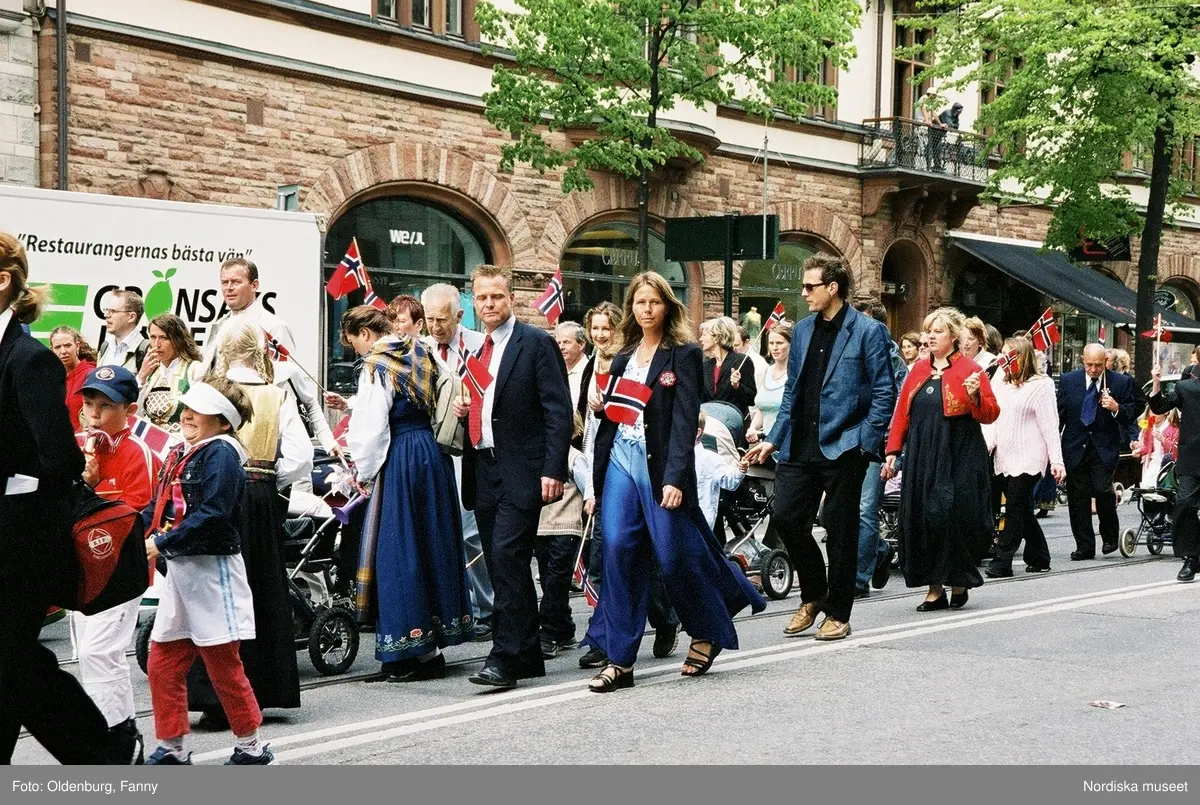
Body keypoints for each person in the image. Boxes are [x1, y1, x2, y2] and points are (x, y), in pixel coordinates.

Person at [582, 271, 766, 692]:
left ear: (667, 306)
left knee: (673, 554)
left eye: (655, 302)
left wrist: (676, 477)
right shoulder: (625, 355)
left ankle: (709, 623)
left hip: (662, 463)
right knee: (616, 549)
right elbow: (619, 416)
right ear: (632, 307)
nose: (647, 310)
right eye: (640, 303)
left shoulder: (683, 354)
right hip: (621, 462)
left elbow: (685, 420)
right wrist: (600, 407)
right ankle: (619, 659)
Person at [0, 231, 141, 765]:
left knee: (10, 659)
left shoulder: (28, 359)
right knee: (16, 665)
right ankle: (106, 754)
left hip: (22, 537)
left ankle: (104, 755)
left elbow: (58, 460)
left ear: (2, 281)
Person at [743, 253, 896, 641]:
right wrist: (772, 439)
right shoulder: (805, 329)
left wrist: (864, 442)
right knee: (786, 517)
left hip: (845, 445)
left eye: (810, 286)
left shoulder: (867, 331)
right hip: (799, 444)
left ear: (833, 288)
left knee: (840, 530)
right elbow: (793, 389)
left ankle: (839, 613)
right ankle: (814, 594)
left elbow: (884, 391)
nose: (804, 293)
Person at [452, 265, 573, 690]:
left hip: (522, 470)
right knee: (508, 565)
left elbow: (559, 411)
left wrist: (552, 469)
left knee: (505, 558)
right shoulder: (475, 349)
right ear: (474, 300)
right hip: (483, 469)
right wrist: (468, 413)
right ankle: (526, 653)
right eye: (482, 297)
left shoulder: (536, 344)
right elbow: (488, 403)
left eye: (497, 297)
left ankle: (503, 657)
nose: (489, 304)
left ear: (511, 298)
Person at [143, 378, 273, 765]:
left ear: (223, 421)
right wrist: (136, 532)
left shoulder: (222, 454)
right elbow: (159, 504)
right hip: (181, 572)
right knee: (162, 661)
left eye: (198, 411)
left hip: (212, 572)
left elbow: (215, 514)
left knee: (223, 664)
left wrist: (161, 543)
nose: (187, 414)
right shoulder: (183, 451)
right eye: (187, 407)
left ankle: (251, 747)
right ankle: (173, 746)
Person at [343, 305, 474, 681]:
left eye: (355, 343)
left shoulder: (376, 365)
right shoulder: (423, 352)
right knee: (430, 547)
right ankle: (415, 649)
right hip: (430, 456)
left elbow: (371, 428)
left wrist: (363, 473)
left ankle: (414, 650)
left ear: (366, 334)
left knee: (399, 554)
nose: (357, 352)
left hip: (399, 457)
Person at [187, 324, 308, 726]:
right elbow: (301, 456)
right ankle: (263, 687)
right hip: (259, 493)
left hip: (217, 488)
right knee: (262, 587)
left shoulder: (211, 390)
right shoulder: (276, 395)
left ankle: (214, 695)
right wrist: (271, 477)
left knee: (217, 589)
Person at [577, 301, 681, 671]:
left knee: (644, 559)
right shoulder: (594, 365)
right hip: (608, 469)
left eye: (607, 328)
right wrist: (591, 486)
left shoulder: (628, 360)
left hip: (644, 468)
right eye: (596, 329)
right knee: (609, 557)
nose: (600, 335)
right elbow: (593, 432)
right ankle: (604, 637)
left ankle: (665, 617)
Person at [883, 307, 999, 611]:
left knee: (953, 515)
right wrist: (892, 452)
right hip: (923, 452)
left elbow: (990, 414)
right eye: (928, 331)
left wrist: (975, 396)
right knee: (923, 517)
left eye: (937, 331)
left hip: (959, 451)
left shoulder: (971, 370)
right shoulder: (918, 370)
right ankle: (934, 588)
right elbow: (901, 416)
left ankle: (958, 580)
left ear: (953, 336)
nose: (930, 336)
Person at [73, 366, 160, 761]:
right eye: (89, 404)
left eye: (105, 406)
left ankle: (111, 739)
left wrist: (90, 496)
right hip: (80, 570)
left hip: (118, 571)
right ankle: (123, 732)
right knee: (91, 655)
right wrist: (83, 484)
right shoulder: (78, 445)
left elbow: (139, 514)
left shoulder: (135, 451)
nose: (94, 414)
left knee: (99, 651)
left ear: (130, 409)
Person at [202, 257, 338, 456]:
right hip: (225, 424)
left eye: (236, 282)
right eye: (224, 282)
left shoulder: (274, 326)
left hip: (265, 431)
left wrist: (326, 440)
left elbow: (289, 387)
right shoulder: (219, 326)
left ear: (254, 285)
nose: (229, 288)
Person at [419, 282, 493, 640]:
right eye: (430, 319)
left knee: (471, 534)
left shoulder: (480, 347)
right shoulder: (421, 350)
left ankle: (487, 607)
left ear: (459, 316)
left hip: (470, 449)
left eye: (442, 320)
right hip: (433, 450)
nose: (435, 327)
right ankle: (454, 608)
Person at [986, 336, 1065, 577]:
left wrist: (1057, 460)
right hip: (1004, 454)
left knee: (1014, 508)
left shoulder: (1041, 385)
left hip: (1030, 455)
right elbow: (993, 416)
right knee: (1021, 508)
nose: (1004, 359)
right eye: (1003, 354)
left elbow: (1050, 424)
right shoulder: (1000, 382)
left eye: (1010, 355)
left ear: (1022, 358)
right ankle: (1040, 555)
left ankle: (1002, 561)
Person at [1058, 343, 1138, 560]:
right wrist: (1054, 452)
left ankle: (1110, 536)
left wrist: (1116, 408)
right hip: (1075, 447)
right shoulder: (1068, 381)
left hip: (1103, 448)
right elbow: (1059, 416)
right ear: (1082, 361)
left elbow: (1131, 413)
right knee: (1078, 499)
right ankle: (1084, 546)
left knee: (1103, 492)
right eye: (1089, 365)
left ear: (1106, 362)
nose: (1093, 370)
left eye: (1098, 365)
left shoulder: (1120, 382)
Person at [854, 301, 908, 598]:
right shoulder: (851, 351)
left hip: (876, 444)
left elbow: (898, 406)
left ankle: (859, 579)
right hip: (848, 440)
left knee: (865, 509)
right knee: (835, 512)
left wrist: (891, 448)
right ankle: (881, 549)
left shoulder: (893, 360)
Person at [534, 414, 588, 658]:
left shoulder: (574, 457)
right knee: (548, 580)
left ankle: (549, 633)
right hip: (542, 527)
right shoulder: (538, 455)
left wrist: (590, 502)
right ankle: (565, 628)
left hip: (566, 527)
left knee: (556, 581)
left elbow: (587, 487)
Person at [1148, 364, 1200, 582]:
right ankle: (1192, 557)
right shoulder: (1187, 388)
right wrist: (1156, 383)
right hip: (1192, 458)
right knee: (1184, 503)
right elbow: (1160, 406)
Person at [137, 314, 204, 435]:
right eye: (153, 337)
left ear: (178, 340)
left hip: (181, 441)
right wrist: (141, 377)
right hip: (149, 439)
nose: (157, 344)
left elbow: (201, 416)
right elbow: (134, 414)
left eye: (164, 338)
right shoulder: (151, 370)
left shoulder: (194, 369)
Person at [700, 316, 757, 424]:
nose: (700, 339)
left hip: (734, 427)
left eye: (704, 335)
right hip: (711, 426)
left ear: (716, 337)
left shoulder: (742, 361)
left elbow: (751, 398)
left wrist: (737, 386)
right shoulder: (705, 365)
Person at [694, 410, 745, 530]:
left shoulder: (710, 458)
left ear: (697, 432)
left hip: (702, 521)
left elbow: (730, 482)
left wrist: (740, 470)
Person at [746, 320, 792, 444]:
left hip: (786, 445)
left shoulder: (796, 374)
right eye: (771, 343)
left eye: (780, 343)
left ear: (791, 344)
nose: (775, 347)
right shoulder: (768, 371)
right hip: (764, 445)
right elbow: (763, 408)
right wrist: (752, 428)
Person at [51, 325, 98, 427]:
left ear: (77, 345)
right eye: (58, 347)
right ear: (52, 350)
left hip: (83, 439)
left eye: (68, 345)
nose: (63, 351)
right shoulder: (51, 377)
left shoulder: (90, 374)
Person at [97, 289, 149, 374]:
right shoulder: (105, 346)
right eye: (106, 310)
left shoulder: (145, 349)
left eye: (113, 311)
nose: (106, 315)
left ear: (131, 317)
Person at [1131, 406, 1179, 489]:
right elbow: (1147, 447)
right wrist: (1138, 450)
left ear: (1166, 412)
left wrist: (1163, 440)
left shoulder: (1173, 428)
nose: (1152, 414)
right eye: (1151, 411)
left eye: (1156, 411)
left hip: (1167, 466)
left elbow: (1175, 450)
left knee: (1161, 490)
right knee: (1146, 487)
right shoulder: (1149, 427)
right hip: (1153, 463)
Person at [556, 320, 588, 410]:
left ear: (581, 344)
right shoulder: (554, 370)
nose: (561, 347)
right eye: (558, 343)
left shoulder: (589, 371)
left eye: (566, 342)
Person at [734, 325, 769, 389]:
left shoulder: (759, 363)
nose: (733, 348)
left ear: (747, 342)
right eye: (731, 345)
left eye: (736, 345)